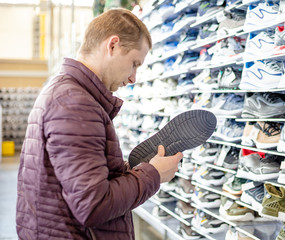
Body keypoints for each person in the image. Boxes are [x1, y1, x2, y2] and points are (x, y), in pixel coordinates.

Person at [16, 8, 183, 240]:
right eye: (134, 63)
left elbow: (78, 184)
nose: (134, 77)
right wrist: (153, 174)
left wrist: (126, 171)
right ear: (112, 45)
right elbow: (93, 206)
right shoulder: (75, 104)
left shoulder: (68, 93)